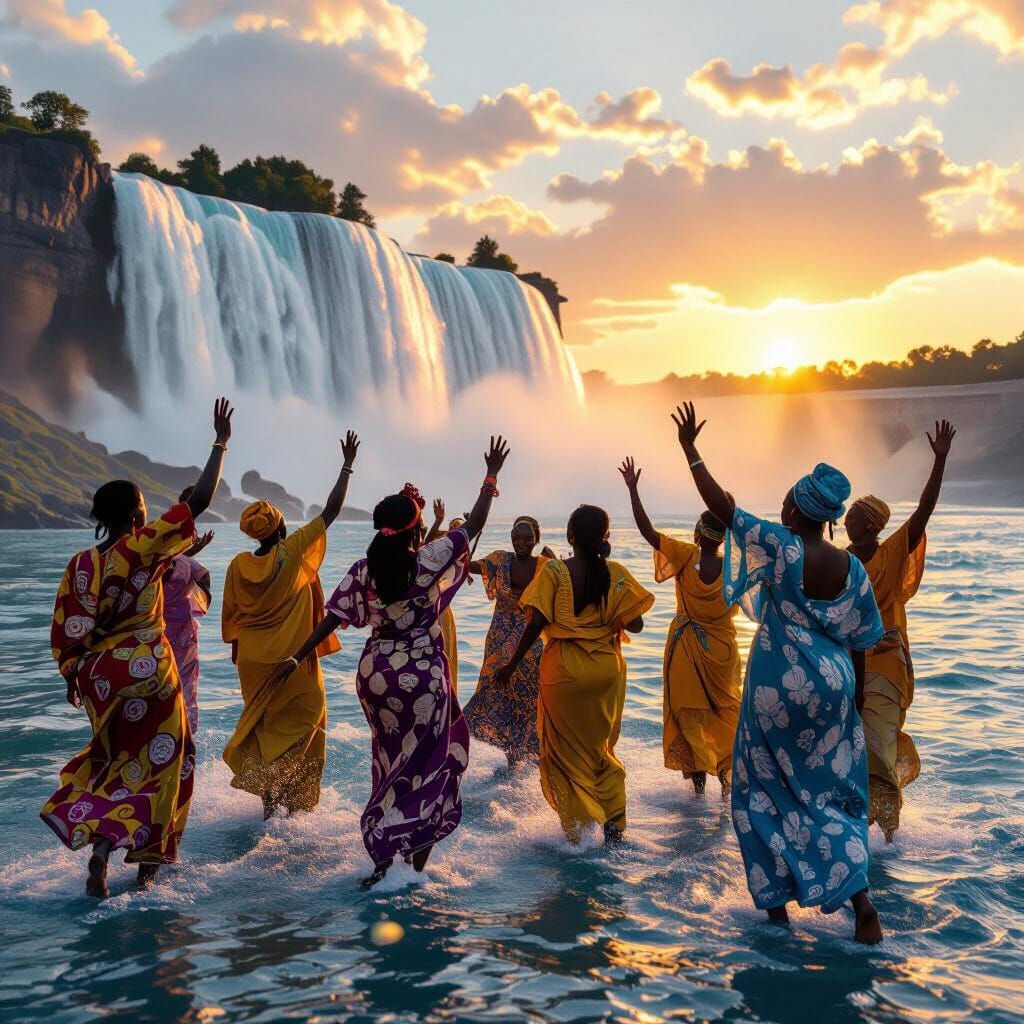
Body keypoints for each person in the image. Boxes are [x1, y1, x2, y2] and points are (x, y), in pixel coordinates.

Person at [672, 402, 885, 943]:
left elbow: (724, 508)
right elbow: (862, 637)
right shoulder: (852, 567)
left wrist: (692, 453)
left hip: (776, 692)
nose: (783, 503)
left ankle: (775, 912)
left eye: (789, 498)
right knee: (828, 796)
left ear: (799, 510)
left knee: (759, 793)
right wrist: (853, 702)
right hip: (835, 686)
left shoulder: (782, 546)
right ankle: (859, 899)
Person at [269, 437, 511, 888]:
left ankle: (383, 853)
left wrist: (295, 656)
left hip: (376, 677)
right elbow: (473, 525)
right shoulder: (428, 558)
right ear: (417, 529)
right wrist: (490, 477)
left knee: (389, 762)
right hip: (421, 675)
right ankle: (414, 863)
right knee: (433, 764)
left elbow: (334, 618)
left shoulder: (365, 569)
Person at [42, 398, 234, 898]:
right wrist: (220, 442)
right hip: (148, 668)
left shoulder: (80, 564)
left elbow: (65, 628)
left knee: (115, 760)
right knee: (170, 759)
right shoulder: (143, 545)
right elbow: (200, 501)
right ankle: (148, 871)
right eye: (144, 507)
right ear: (134, 515)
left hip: (99, 679)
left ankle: (102, 851)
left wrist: (73, 679)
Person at [494, 505, 654, 844]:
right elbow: (636, 624)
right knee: (600, 751)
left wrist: (510, 666)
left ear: (569, 537)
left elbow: (535, 623)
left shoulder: (553, 571)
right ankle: (613, 825)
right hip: (605, 674)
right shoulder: (616, 573)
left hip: (563, 673)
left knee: (561, 754)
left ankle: (578, 834)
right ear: (604, 538)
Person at [222, 431, 360, 820]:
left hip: (252, 661)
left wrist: (242, 660)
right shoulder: (295, 550)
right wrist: (347, 466)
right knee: (307, 720)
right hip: (291, 660)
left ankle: (270, 802)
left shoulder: (237, 565)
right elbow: (330, 513)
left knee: (265, 727)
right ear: (279, 526)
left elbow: (231, 618)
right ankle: (285, 802)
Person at [845, 419, 955, 841]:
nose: (848, 515)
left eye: (856, 513)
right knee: (853, 750)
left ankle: (889, 835)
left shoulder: (890, 553)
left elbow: (923, 511)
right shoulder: (843, 560)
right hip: (849, 666)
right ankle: (860, 828)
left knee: (876, 747)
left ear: (871, 526)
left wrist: (939, 462)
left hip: (885, 665)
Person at [619, 456, 741, 798]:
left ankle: (698, 790)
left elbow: (648, 532)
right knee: (725, 712)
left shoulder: (687, 555)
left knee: (688, 716)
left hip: (686, 649)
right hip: (724, 650)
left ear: (699, 532)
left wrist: (633, 491)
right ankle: (728, 775)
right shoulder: (734, 567)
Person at [464, 516, 554, 768]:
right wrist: (467, 533)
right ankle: (508, 753)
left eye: (527, 538)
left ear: (537, 537)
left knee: (529, 696)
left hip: (531, 639)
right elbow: (466, 565)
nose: (521, 542)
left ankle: (526, 756)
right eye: (516, 537)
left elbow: (563, 589)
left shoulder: (547, 566)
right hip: (499, 639)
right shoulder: (499, 560)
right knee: (493, 691)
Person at [162, 487, 214, 735]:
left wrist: (188, 554)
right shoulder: (187, 565)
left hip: (157, 630)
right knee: (186, 687)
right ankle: (185, 737)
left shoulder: (155, 558)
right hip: (182, 631)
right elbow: (202, 575)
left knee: (162, 686)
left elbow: (169, 561)